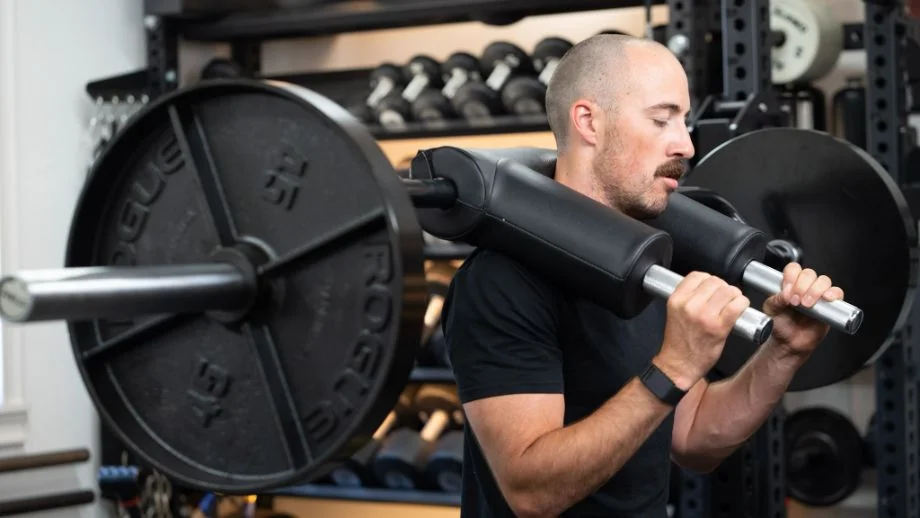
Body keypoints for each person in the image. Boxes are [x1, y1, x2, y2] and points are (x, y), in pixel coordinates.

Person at [439, 34, 845, 518]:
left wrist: (782, 352)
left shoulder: (652, 262)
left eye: (684, 119)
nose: (686, 143)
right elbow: (530, 493)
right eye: (661, 119)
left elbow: (693, 438)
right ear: (589, 121)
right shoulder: (501, 280)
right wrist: (674, 366)